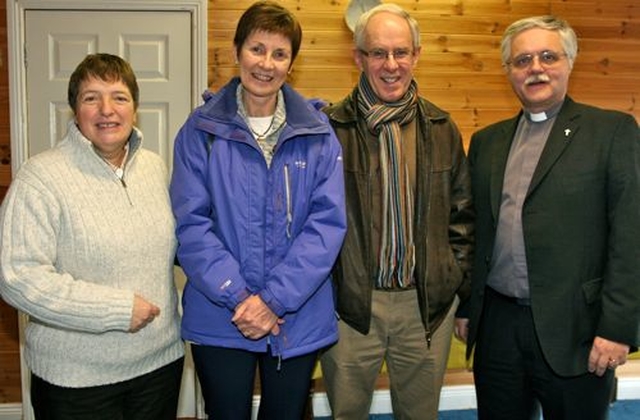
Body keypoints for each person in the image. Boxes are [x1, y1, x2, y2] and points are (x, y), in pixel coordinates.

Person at [454, 15, 640, 419]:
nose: (535, 68)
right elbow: (475, 233)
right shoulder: (487, 142)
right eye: (522, 61)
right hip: (498, 327)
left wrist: (617, 328)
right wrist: (468, 306)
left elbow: (631, 237)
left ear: (569, 62)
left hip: (578, 329)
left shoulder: (612, 132)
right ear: (509, 72)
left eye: (547, 56)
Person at [169, 1, 347, 419]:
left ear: (291, 64)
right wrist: (241, 298)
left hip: (297, 316)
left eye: (279, 53)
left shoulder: (319, 135)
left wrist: (273, 301)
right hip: (221, 316)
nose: (266, 63)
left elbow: (326, 227)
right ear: (237, 51)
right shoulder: (199, 132)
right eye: (257, 49)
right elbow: (191, 226)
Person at [0, 53, 185, 419]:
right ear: (75, 109)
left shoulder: (154, 167)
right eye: (91, 97)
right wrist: (114, 310)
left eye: (119, 96)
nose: (107, 109)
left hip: (159, 365)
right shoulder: (40, 178)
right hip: (76, 381)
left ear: (134, 107)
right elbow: (17, 277)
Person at [319, 4, 474, 419]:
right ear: (359, 58)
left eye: (401, 52)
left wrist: (453, 279)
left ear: (416, 55)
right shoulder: (329, 130)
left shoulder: (442, 128)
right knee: (346, 414)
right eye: (378, 53)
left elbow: (462, 217)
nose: (391, 65)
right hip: (351, 309)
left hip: (424, 309)